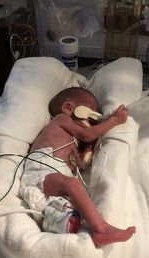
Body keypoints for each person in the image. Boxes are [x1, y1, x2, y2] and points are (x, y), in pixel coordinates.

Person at [20, 86, 136, 247]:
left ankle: (59, 225)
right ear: (68, 108)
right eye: (89, 115)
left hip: (57, 178)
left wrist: (88, 149)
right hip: (42, 170)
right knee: (73, 184)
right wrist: (114, 120)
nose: (91, 122)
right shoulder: (61, 119)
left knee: (73, 207)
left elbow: (79, 164)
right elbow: (86, 135)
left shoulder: (73, 141)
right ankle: (101, 229)